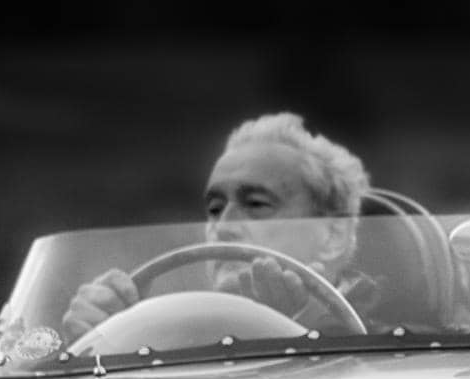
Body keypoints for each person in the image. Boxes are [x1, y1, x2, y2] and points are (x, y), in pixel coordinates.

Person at [61, 112, 376, 340]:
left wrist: (262, 329)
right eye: (214, 208)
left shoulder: (400, 348)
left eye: (256, 204)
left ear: (333, 234)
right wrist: (105, 337)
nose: (222, 227)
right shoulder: (170, 337)